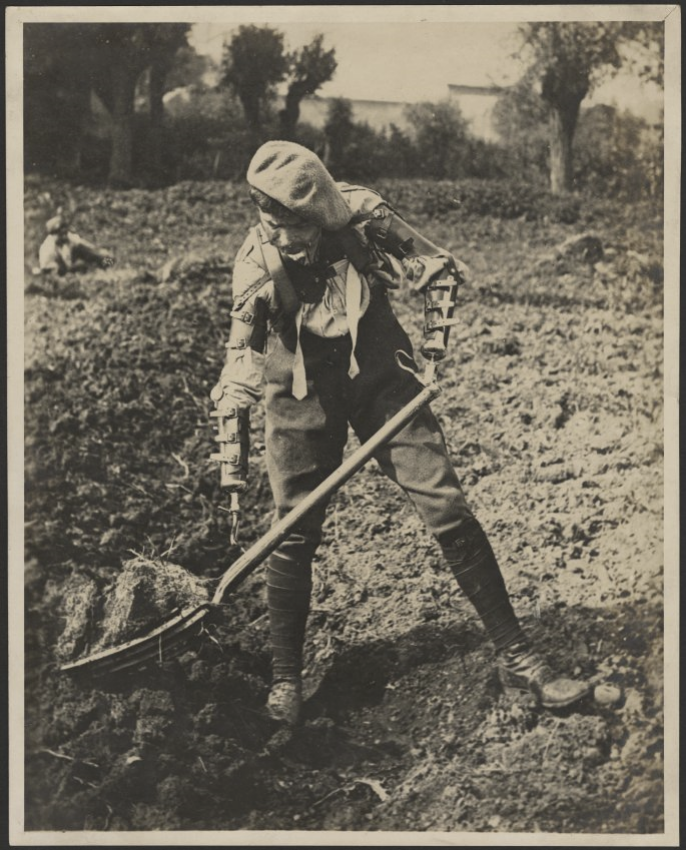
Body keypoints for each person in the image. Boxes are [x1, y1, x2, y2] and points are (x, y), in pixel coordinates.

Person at [210, 141, 590, 726]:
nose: (288, 241)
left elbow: (440, 269)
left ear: (322, 213)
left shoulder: (363, 216)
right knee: (292, 527)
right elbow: (240, 364)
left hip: (380, 370)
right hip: (302, 389)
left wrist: (434, 350)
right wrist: (231, 456)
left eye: (299, 228)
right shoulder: (256, 265)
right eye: (274, 226)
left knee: (444, 499)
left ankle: (517, 656)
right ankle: (286, 679)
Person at [37, 213, 115, 275]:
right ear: (53, 235)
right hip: (63, 270)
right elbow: (47, 269)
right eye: (60, 233)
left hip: (71, 264)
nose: (64, 236)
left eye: (65, 232)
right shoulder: (47, 248)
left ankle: (107, 265)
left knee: (98, 255)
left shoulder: (69, 237)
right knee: (64, 269)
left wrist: (103, 255)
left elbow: (87, 247)